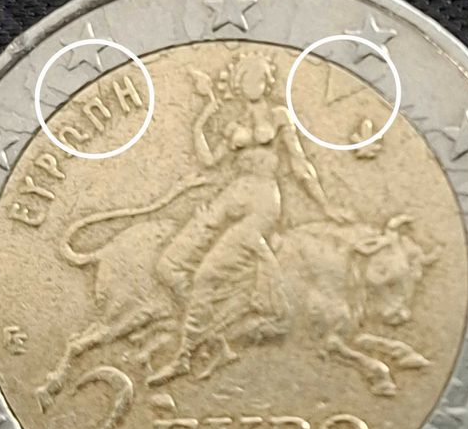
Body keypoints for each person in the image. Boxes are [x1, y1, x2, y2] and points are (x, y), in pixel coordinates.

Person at [148, 53, 349, 386]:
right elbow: (210, 162)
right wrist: (201, 119)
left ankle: (184, 355)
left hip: (262, 202)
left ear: (267, 82)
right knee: (168, 265)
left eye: (258, 77)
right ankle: (213, 326)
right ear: (238, 84)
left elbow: (299, 164)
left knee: (205, 276)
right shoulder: (233, 124)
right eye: (245, 78)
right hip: (231, 196)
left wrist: (325, 206)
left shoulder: (280, 116)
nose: (252, 83)